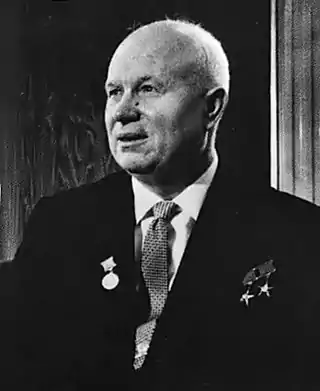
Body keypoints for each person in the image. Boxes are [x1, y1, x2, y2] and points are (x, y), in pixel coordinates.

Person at [1, 17, 320, 391]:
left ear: (212, 107)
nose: (122, 111)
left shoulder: (300, 236)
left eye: (148, 89)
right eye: (113, 92)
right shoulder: (60, 224)